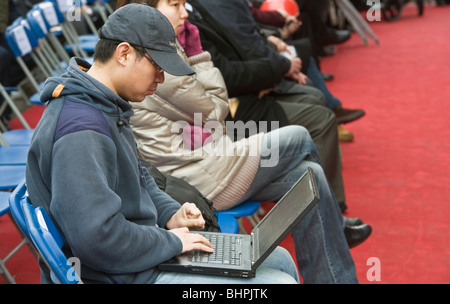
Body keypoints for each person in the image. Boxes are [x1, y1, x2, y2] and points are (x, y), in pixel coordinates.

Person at [25, 3, 300, 284]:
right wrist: (170, 242)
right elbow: (97, 239)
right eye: (156, 65)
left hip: (142, 256)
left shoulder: (105, 104)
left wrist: (171, 214)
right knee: (280, 282)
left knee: (279, 259)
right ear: (124, 54)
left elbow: (140, 177)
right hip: (124, 274)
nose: (161, 77)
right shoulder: (81, 130)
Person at [120, 0, 371, 283]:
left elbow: (212, 113)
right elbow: (217, 110)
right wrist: (199, 55)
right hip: (193, 177)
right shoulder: (155, 57)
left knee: (308, 175)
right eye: (175, 4)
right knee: (300, 136)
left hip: (206, 156)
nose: (184, 11)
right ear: (145, 8)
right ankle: (336, 227)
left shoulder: (164, 45)